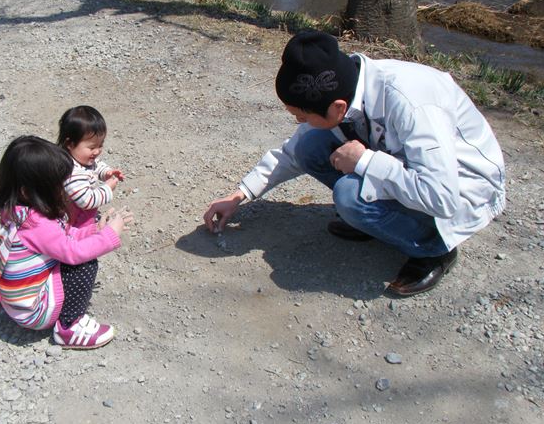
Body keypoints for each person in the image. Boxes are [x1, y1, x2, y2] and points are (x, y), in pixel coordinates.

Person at [203, 30, 506, 296]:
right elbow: (293, 152)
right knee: (311, 145)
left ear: (338, 107)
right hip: (407, 169)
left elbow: (441, 198)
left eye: (302, 115)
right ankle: (380, 223)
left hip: (463, 188)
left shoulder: (411, 102)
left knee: (349, 195)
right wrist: (240, 194)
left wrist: (364, 161)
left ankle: (434, 248)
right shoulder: (346, 87)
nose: (298, 121)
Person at [0, 135, 133, 349]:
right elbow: (73, 252)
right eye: (58, 185)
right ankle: (69, 327)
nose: (65, 190)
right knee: (84, 263)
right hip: (35, 311)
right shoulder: (37, 224)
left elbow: (59, 241)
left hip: (18, 303)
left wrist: (96, 230)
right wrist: (110, 234)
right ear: (29, 191)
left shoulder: (17, 209)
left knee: (78, 254)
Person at [57, 106, 125, 228]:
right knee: (81, 236)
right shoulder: (71, 172)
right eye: (92, 147)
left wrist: (107, 173)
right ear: (70, 144)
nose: (97, 151)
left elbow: (96, 166)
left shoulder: (81, 158)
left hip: (80, 213)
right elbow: (87, 201)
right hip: (73, 219)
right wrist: (107, 188)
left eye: (101, 145)